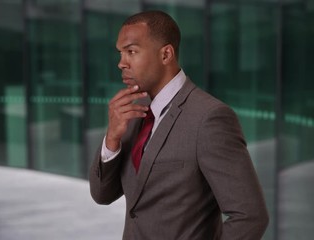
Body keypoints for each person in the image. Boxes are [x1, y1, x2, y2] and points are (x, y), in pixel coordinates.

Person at [89, 10, 269, 240]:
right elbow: (102, 195)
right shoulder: (133, 113)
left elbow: (250, 216)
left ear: (166, 54)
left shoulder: (209, 118)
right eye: (120, 53)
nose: (121, 63)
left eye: (131, 51)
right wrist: (111, 140)